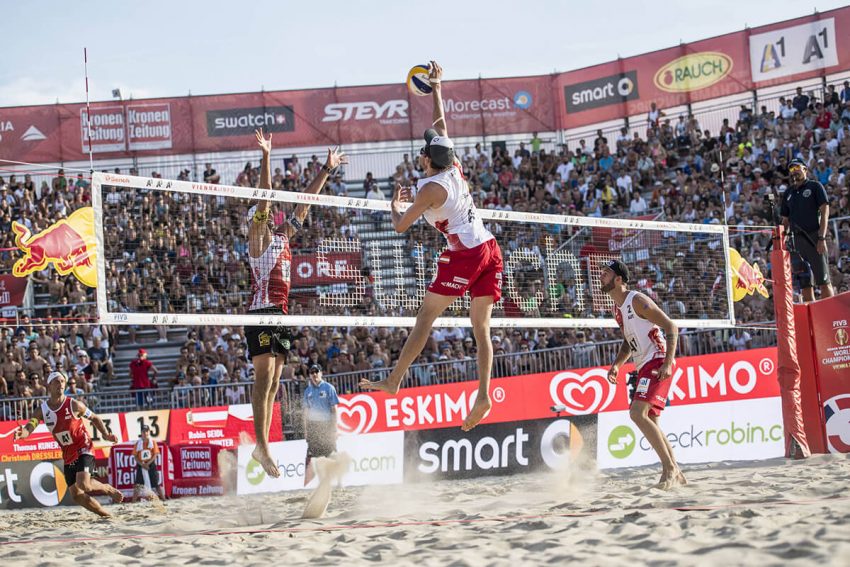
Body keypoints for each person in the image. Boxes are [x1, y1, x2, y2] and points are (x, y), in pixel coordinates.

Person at [360, 61, 503, 432]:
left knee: (425, 318)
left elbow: (400, 227)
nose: (420, 151)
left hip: (466, 255)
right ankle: (484, 394)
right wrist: (437, 88)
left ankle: (394, 380)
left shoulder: (429, 189)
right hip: (489, 246)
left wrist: (395, 207)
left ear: (427, 159)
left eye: (423, 150)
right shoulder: (451, 165)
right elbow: (441, 128)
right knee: (481, 329)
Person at [247, 128, 347, 478]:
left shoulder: (283, 236)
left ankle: (263, 443)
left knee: (275, 381)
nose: (269, 212)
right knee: (263, 381)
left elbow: (305, 203)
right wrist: (266, 157)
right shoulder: (258, 238)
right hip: (261, 312)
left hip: (281, 314)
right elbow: (265, 196)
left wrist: (327, 169)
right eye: (263, 212)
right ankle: (262, 446)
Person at [601, 260, 685, 490]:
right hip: (644, 364)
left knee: (637, 413)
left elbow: (671, 327)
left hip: (657, 359)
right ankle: (676, 471)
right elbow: (629, 342)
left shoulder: (636, 300)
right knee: (652, 420)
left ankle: (670, 468)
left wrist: (667, 362)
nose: (601, 277)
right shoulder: (617, 309)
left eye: (606, 274)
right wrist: (617, 364)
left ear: (619, 280)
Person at [14, 371, 124, 517]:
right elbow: (30, 427)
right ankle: (105, 515)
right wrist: (22, 434)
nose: (61, 384)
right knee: (76, 494)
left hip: (83, 446)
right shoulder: (42, 410)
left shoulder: (74, 405)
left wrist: (106, 435)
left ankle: (108, 489)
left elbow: (95, 418)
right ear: (49, 385)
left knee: (84, 484)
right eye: (57, 381)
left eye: (63, 381)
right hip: (68, 453)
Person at [781, 158, 835, 302]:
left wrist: (822, 238)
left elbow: (825, 212)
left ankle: (830, 316)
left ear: (805, 169)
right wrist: (781, 243)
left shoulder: (815, 186)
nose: (794, 171)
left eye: (797, 167)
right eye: (791, 169)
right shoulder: (788, 193)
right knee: (805, 284)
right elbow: (785, 221)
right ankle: (811, 321)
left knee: (823, 281)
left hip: (814, 238)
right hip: (796, 242)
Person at [302, 364, 339, 486]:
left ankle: (338, 481)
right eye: (311, 372)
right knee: (315, 456)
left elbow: (334, 410)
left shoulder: (329, 388)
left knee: (331, 453)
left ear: (321, 373)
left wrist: (334, 428)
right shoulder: (307, 391)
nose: (314, 374)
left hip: (327, 425)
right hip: (313, 426)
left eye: (316, 371)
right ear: (309, 375)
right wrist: (306, 430)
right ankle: (319, 483)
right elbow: (306, 413)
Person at [133, 424, 165, 502]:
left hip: (151, 464)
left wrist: (147, 464)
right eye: (144, 432)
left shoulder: (153, 442)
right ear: (141, 433)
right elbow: (135, 456)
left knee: (156, 484)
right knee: (138, 485)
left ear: (149, 432)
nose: (145, 433)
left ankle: (164, 499)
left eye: (146, 431)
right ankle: (133, 501)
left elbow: (155, 454)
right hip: (141, 465)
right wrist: (142, 464)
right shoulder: (138, 443)